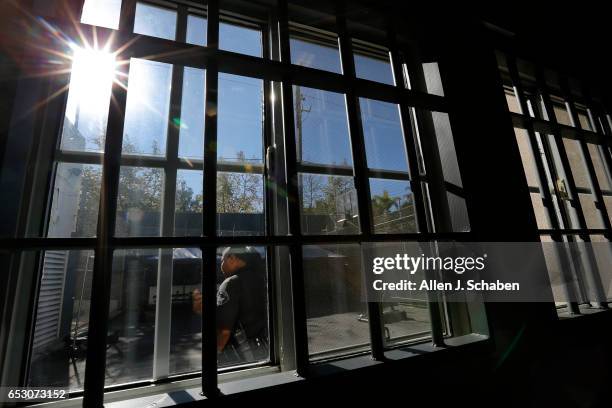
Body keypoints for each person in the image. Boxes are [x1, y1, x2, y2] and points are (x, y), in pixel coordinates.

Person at [192, 246, 268, 364]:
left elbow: (224, 331)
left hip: (238, 357)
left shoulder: (231, 283)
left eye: (222, 260)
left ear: (232, 258)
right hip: (263, 351)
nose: (221, 265)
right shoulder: (261, 279)